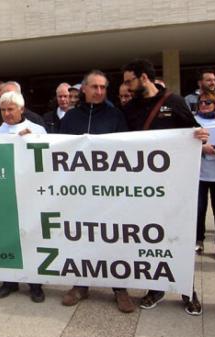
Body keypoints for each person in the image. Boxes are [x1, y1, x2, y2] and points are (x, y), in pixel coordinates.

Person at [121, 58, 207, 316]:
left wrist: (200, 136)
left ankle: (187, 289)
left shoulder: (175, 102)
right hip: (143, 188)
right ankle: (155, 288)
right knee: (149, 236)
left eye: (129, 81)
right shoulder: (129, 109)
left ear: (143, 78)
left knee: (177, 236)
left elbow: (193, 131)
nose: (125, 86)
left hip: (173, 186)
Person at [58, 70, 133, 313]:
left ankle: (119, 288)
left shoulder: (115, 115)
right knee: (81, 235)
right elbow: (56, 148)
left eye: (103, 87)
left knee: (112, 236)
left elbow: (128, 148)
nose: (99, 91)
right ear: (84, 89)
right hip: (78, 190)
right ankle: (81, 285)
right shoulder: (69, 118)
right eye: (94, 87)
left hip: (109, 189)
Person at [0, 91, 46, 302]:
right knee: (7, 237)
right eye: (3, 110)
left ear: (21, 109)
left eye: (10, 109)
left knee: (30, 236)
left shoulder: (37, 129)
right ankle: (9, 281)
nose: (6, 113)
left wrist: (30, 140)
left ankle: (35, 284)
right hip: (5, 193)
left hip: (29, 192)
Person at [194, 91, 215, 261]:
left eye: (208, 102)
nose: (204, 105)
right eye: (201, 102)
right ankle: (198, 241)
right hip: (199, 174)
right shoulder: (193, 122)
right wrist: (201, 148)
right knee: (199, 210)